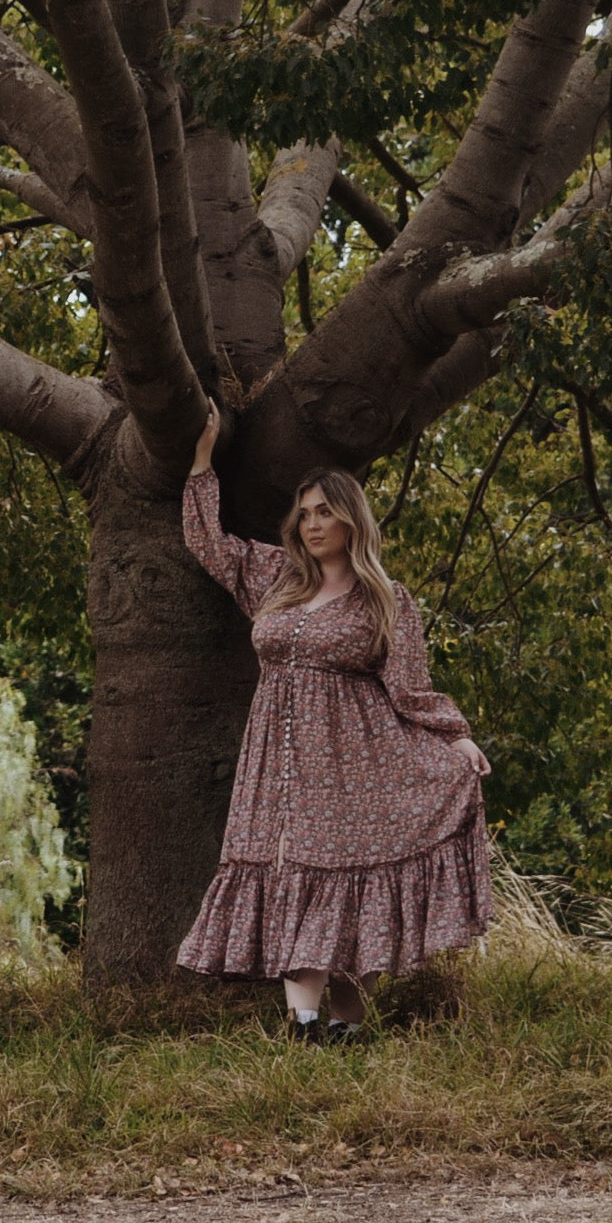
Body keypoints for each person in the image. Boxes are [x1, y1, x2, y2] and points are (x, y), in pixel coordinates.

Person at [178, 400, 492, 1044]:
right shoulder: (274, 577)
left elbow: (409, 686)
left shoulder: (385, 599)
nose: (313, 523)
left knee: (348, 889)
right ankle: (306, 1026)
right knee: (289, 876)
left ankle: (339, 1029)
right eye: (306, 512)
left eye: (327, 512)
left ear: (352, 520)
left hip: (354, 767)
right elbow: (207, 543)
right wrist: (203, 458)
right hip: (275, 765)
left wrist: (455, 736)